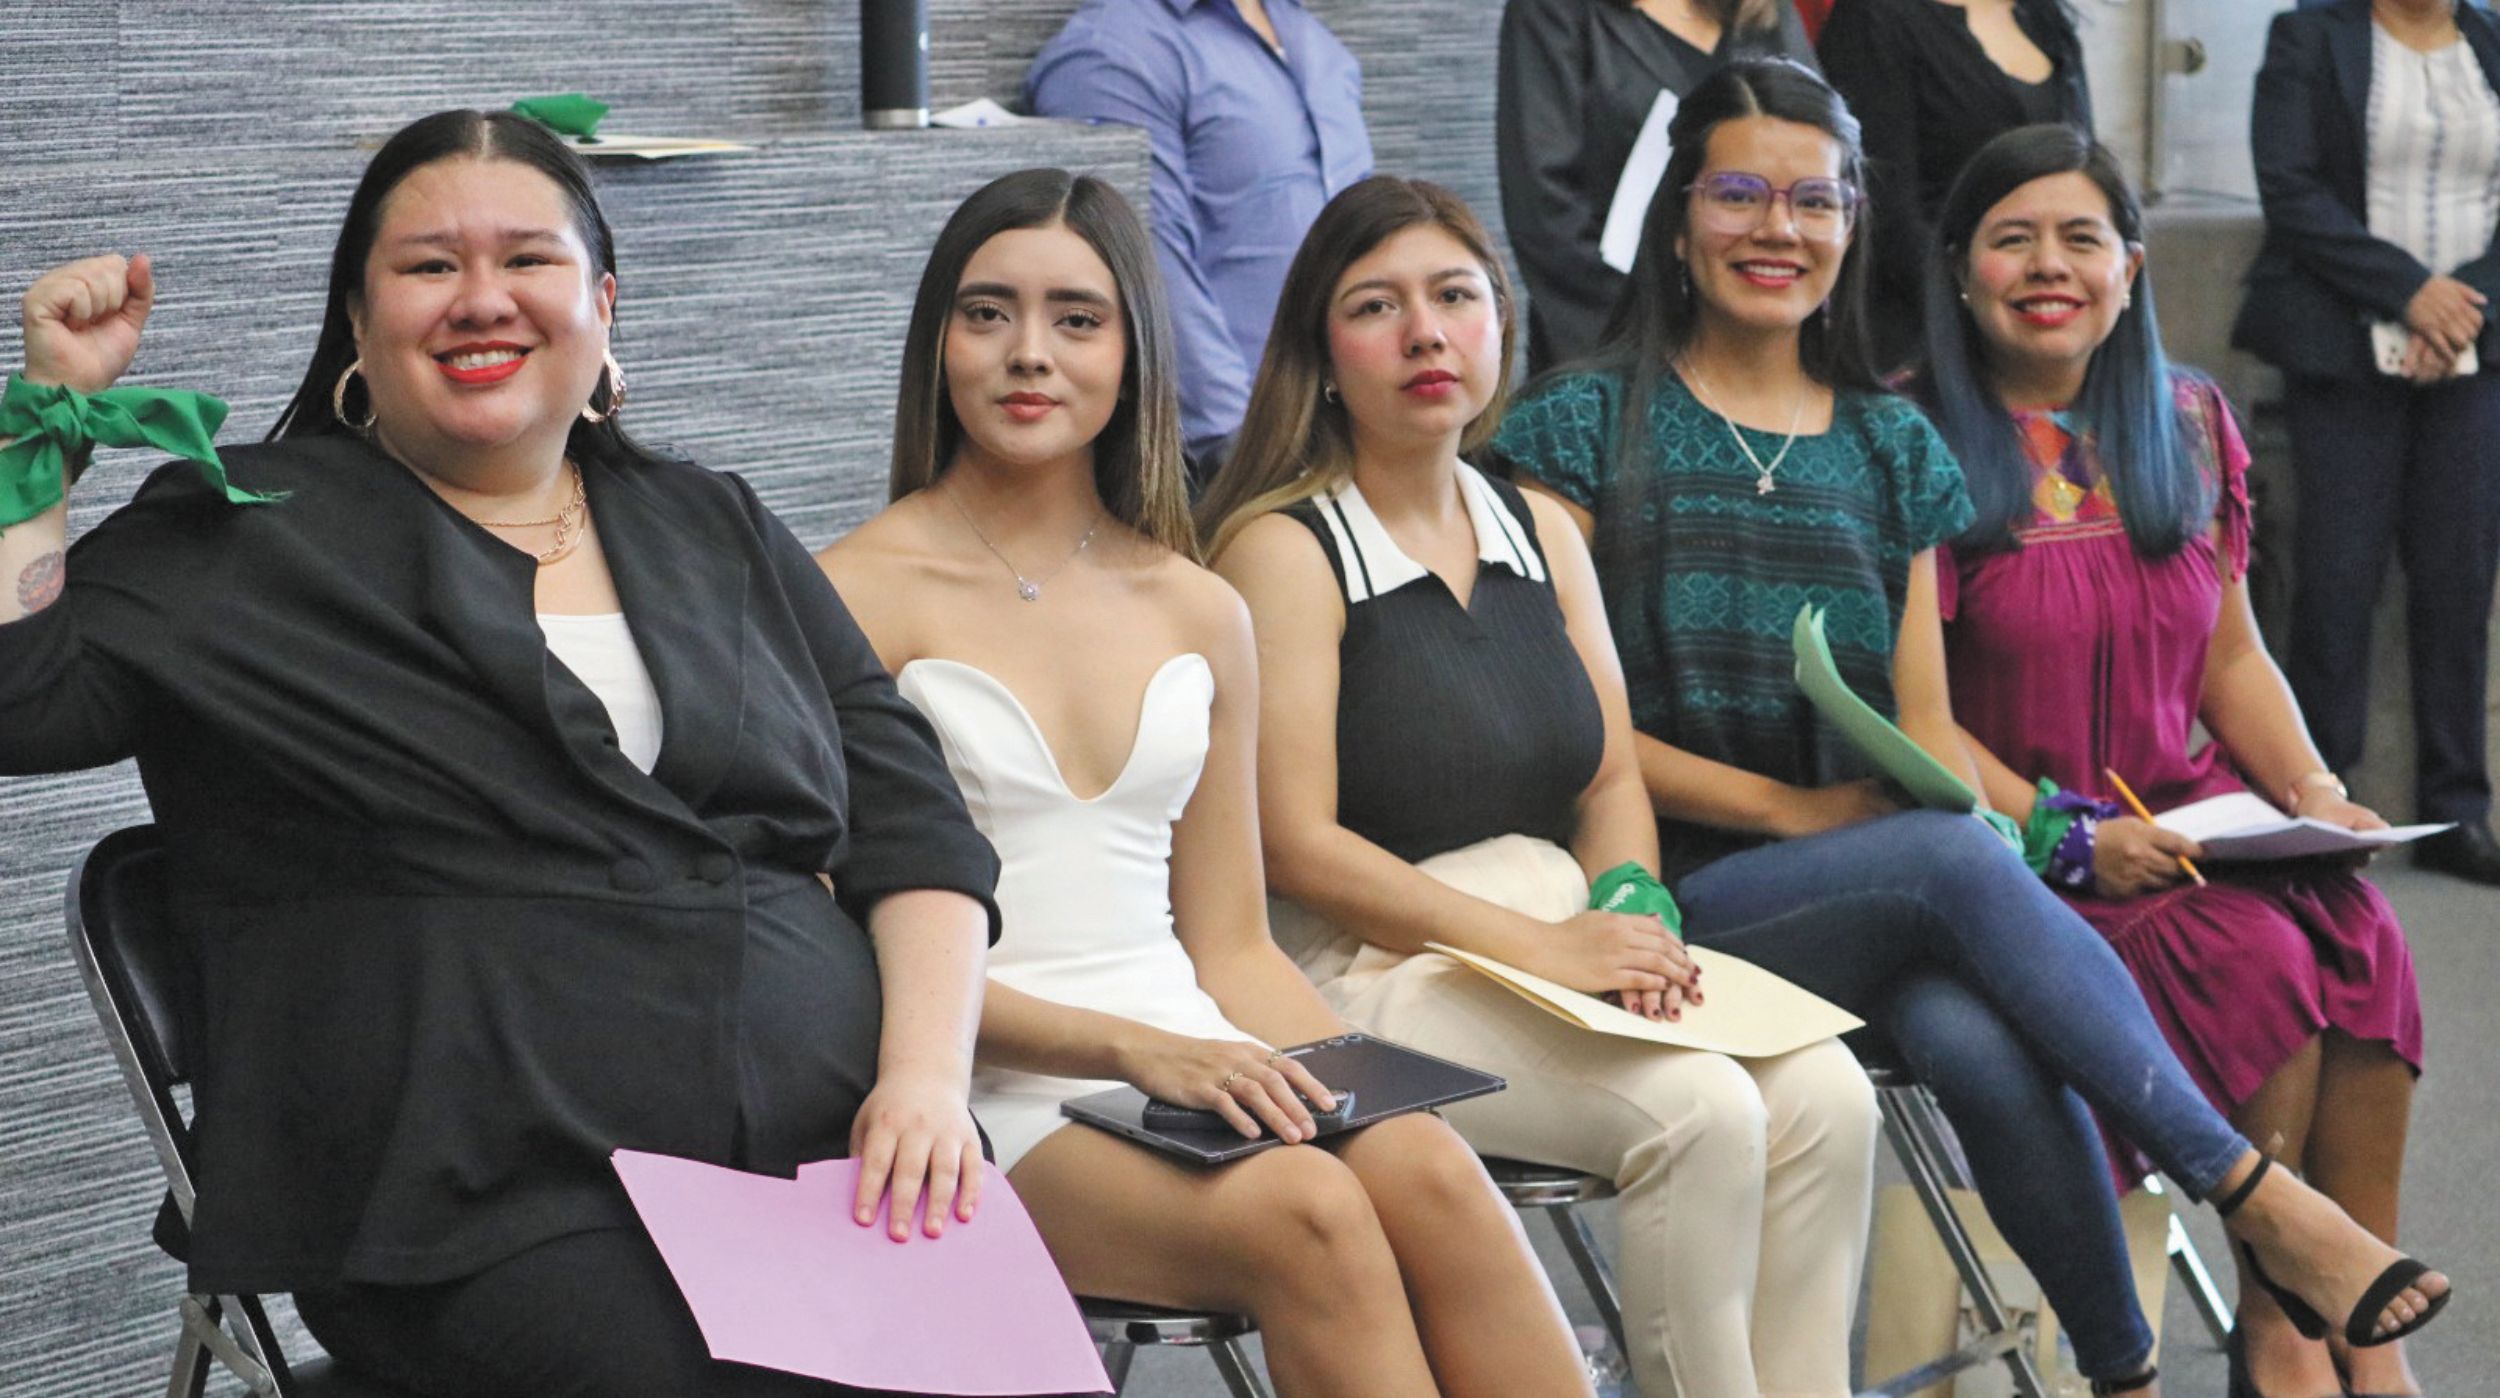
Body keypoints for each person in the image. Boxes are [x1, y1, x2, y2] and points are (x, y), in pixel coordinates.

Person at [1489, 58, 2453, 1397]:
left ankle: (2124, 1376)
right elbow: (1566, 723)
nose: (1778, 228)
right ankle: (2253, 1193)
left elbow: (1930, 732)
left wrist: (2009, 831)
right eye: (1739, 194)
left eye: (1814, 200)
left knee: (1981, 1043)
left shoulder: (1890, 443)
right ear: (1676, 218)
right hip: (1666, 889)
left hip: (1869, 887)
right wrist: (1808, 815)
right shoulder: (1576, 422)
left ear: (1854, 223)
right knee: (1952, 860)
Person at [0, 111, 1002, 1398]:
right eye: (429, 266)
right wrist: (43, 435)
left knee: (1008, 1377)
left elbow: (914, 824)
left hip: (824, 1146)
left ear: (602, 304)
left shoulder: (713, 523)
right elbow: (22, 701)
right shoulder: (243, 534)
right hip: (475, 1191)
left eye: (528, 259)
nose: (482, 299)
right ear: (358, 321)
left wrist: (924, 1082)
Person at [816, 168, 1590, 1398]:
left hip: (1194, 1051)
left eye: (1077, 318)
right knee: (1312, 1214)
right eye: (987, 313)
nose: (1029, 353)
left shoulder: (1198, 606)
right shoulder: (846, 593)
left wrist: (1347, 1083)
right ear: (937, 344)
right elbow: (834, 953)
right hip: (978, 1081)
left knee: (1435, 1171)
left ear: (1133, 352)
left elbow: (1229, 945)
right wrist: (1135, 1050)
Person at [1205, 173, 1881, 1398]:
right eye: (1376, 307)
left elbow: (1610, 772)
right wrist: (1542, 947)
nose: (1424, 334)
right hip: (1369, 971)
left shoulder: (1538, 527)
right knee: (1702, 1113)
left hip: (1557, 931)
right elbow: (1293, 845)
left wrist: (1633, 908)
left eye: (1453, 297)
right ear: (1323, 353)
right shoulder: (1283, 547)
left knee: (1831, 1098)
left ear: (1499, 323)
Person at [1916, 122, 2431, 1398]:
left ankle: (2364, 1328)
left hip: (2187, 814)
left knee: (2363, 934)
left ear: (2129, 268)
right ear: (1961, 270)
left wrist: (2312, 791)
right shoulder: (1912, 439)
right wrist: (2070, 832)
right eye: (2013, 239)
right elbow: (1913, 719)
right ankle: (2280, 1323)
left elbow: (2230, 658)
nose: (2050, 265)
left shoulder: (2186, 419)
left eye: (2080, 238)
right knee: (2253, 957)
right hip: (2023, 848)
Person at [2234, 0, 2500, 886]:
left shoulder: (2493, 39)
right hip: (2339, 341)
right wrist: (2410, 293)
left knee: (2460, 580)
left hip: (2474, 351)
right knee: (2338, 579)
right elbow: (2291, 189)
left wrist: (2460, 307)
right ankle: (2322, 805)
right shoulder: (2310, 33)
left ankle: (2459, 810)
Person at [1027, 0, 1372, 481]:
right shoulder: (1117, 47)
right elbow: (1147, 263)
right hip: (1226, 462)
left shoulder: (1314, 41)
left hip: (1345, 441)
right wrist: (1244, 453)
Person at [1497, 0, 1817, 371]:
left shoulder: (1765, 8)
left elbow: (1822, 153)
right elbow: (1544, 211)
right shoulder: (1553, 11)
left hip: (1762, 339)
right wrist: (1650, 335)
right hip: (1614, 339)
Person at [1817, 0, 2090, 369]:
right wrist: (1983, 302)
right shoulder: (1873, 16)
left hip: (2046, 322)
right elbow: (1884, 208)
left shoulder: (2046, 16)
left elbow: (2087, 179)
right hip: (1923, 333)